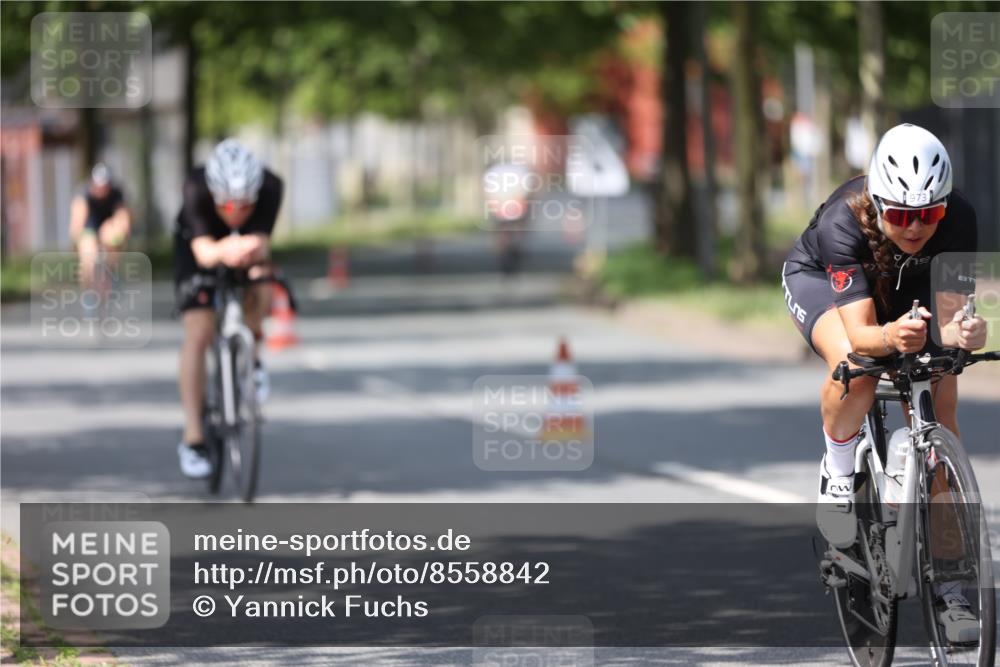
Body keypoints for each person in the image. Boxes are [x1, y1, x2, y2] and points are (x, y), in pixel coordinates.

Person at [782, 123, 987, 643]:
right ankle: (838, 465)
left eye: (928, 214)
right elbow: (864, 335)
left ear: (944, 206)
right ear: (877, 203)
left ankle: (952, 590)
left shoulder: (960, 218)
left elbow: (950, 317)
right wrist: (893, 335)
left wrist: (965, 330)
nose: (916, 226)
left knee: (943, 408)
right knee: (858, 367)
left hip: (908, 285)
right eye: (900, 214)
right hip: (826, 284)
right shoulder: (842, 221)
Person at [173, 139, 283, 479]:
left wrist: (250, 249)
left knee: (262, 280)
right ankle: (194, 437)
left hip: (246, 248)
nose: (236, 212)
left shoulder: (271, 186)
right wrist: (225, 250)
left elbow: (262, 240)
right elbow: (205, 252)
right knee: (200, 331)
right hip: (198, 249)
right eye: (228, 205)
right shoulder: (195, 188)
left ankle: (252, 357)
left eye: (245, 205)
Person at [69, 163, 131, 286]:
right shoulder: (83, 195)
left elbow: (124, 219)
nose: (102, 189)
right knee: (88, 250)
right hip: (89, 225)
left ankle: (110, 275)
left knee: (114, 235)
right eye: (99, 185)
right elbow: (76, 225)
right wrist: (78, 244)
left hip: (107, 225)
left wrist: (120, 234)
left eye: (105, 185)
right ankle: (89, 286)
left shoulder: (116, 194)